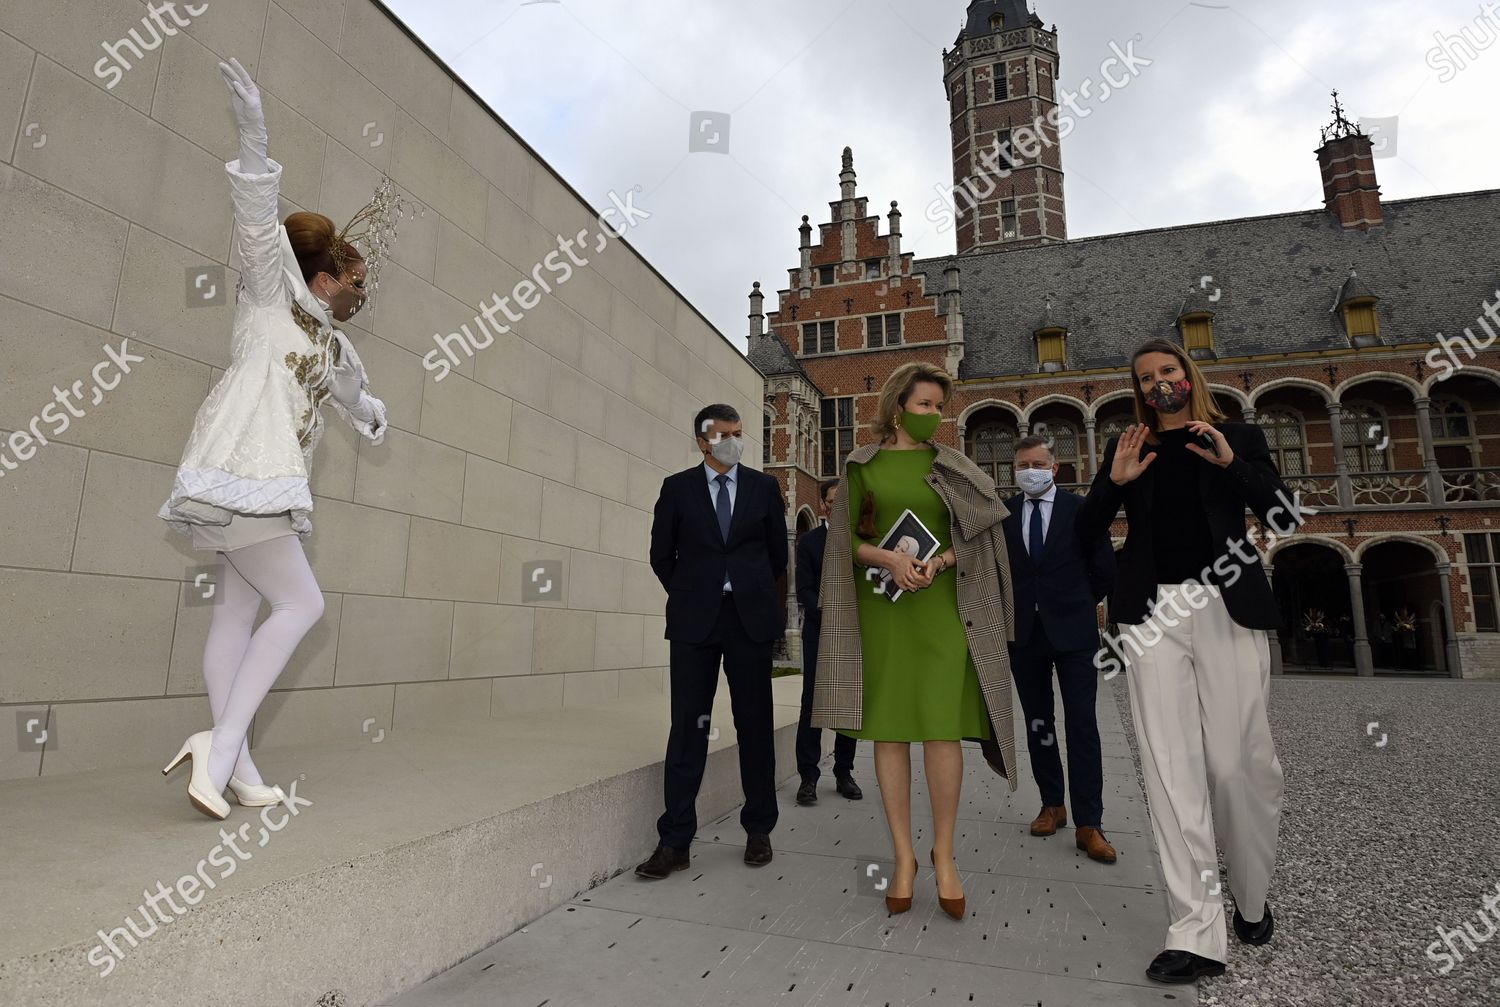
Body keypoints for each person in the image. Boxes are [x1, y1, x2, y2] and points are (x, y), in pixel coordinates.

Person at [158, 59, 393, 820]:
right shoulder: (270, 292)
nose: (363, 295)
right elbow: (256, 215)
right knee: (302, 604)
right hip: (240, 470)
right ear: (325, 279)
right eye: (357, 281)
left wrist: (372, 413)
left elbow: (354, 390)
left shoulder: (328, 340)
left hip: (262, 484)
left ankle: (236, 759)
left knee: (235, 613)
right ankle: (221, 742)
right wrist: (254, 133)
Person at [1077, 338, 1289, 984]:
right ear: (1138, 390)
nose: (1159, 382)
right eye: (1146, 377)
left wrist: (1232, 465)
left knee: (1237, 764)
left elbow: (1282, 511)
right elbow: (1084, 533)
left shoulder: (1239, 435)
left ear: (1187, 374)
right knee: (1172, 772)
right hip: (1151, 617)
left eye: (1167, 370)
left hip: (1226, 605)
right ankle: (1196, 930)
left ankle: (1250, 897)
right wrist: (1114, 487)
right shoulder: (1130, 447)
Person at [811, 361, 1018, 921]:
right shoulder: (862, 466)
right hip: (882, 614)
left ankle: (944, 855)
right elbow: (846, 543)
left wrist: (939, 559)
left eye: (938, 407)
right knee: (891, 732)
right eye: (924, 405)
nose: (934, 416)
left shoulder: (956, 467)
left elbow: (979, 533)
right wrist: (890, 558)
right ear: (897, 407)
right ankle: (903, 857)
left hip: (944, 611)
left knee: (941, 731)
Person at [637, 404, 789, 878]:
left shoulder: (765, 489)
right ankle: (675, 840)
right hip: (694, 624)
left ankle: (759, 828)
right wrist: (693, 593)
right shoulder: (677, 488)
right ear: (702, 441)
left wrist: (765, 606)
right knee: (688, 729)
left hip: (749, 623)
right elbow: (662, 555)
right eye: (724, 435)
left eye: (738, 433)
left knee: (755, 725)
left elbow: (777, 557)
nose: (733, 441)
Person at [1002, 434, 1117, 863]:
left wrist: (1079, 602)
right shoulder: (1006, 513)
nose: (1029, 471)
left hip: (1074, 634)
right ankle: (1052, 803)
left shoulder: (1080, 510)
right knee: (1038, 722)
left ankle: (1091, 822)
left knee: (1082, 724)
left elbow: (1105, 569)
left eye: (1037, 463)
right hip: (1025, 635)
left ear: (1054, 469)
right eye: (1021, 465)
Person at [793, 480, 861, 805]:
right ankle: (808, 777)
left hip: (853, 633)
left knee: (847, 703)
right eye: (833, 501)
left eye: (844, 501)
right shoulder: (808, 543)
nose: (838, 506)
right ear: (823, 506)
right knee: (813, 704)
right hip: (820, 630)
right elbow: (803, 590)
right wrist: (832, 613)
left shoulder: (863, 542)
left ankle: (844, 772)